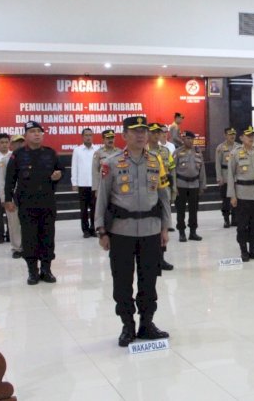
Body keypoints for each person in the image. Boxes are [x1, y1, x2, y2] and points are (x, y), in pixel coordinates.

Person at [94, 116, 171, 346]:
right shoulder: (111, 162)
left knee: (149, 281)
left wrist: (165, 227)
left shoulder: (156, 161)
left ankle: (147, 323)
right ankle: (128, 325)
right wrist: (101, 231)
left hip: (150, 231)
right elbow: (102, 199)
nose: (141, 135)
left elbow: (164, 197)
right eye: (135, 131)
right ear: (124, 134)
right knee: (123, 282)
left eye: (143, 131)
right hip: (121, 232)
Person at [4, 121, 64, 285]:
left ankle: (46, 269)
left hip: (47, 202)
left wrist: (59, 174)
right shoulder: (18, 155)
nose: (37, 134)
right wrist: (8, 199)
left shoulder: (51, 153)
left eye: (39, 131)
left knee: (47, 236)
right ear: (25, 136)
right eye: (32, 131)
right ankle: (32, 271)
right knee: (30, 238)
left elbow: (61, 170)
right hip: (26, 204)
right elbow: (9, 179)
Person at [227, 127, 254, 262]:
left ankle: (253, 249)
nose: (251, 138)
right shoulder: (235, 153)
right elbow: (230, 176)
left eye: (252, 135)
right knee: (242, 224)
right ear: (242, 138)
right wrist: (232, 195)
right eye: (248, 136)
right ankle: (244, 250)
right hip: (242, 194)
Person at [147, 123, 176, 271]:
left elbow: (172, 170)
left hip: (163, 191)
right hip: (148, 195)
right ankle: (150, 258)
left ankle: (161, 258)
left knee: (163, 224)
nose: (156, 135)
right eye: (153, 133)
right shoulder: (143, 151)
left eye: (158, 133)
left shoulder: (165, 151)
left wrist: (174, 189)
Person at [173, 131, 206, 242]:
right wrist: (174, 186)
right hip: (181, 184)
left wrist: (202, 185)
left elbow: (202, 170)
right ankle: (181, 233)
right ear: (183, 139)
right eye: (187, 138)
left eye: (191, 139)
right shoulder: (177, 152)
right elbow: (172, 170)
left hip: (194, 185)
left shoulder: (197, 152)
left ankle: (193, 232)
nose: (190, 141)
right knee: (180, 210)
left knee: (194, 210)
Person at [0, 135, 25, 259]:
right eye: (16, 143)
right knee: (14, 224)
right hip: (12, 197)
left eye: (21, 142)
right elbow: (2, 181)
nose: (19, 145)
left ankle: (28, 246)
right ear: (11, 145)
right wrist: (4, 198)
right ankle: (16, 248)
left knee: (28, 223)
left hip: (27, 197)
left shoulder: (29, 157)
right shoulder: (6, 160)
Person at [71, 128, 99, 238]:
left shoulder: (97, 149)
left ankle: (93, 229)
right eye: (86, 135)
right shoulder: (77, 150)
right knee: (83, 210)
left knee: (94, 209)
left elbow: (99, 168)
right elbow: (74, 167)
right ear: (82, 137)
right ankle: (85, 230)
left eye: (90, 135)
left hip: (95, 184)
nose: (88, 137)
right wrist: (74, 182)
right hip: (82, 184)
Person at [215, 127, 238, 228]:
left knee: (236, 198)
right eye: (230, 134)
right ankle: (226, 219)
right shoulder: (220, 148)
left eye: (234, 134)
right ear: (225, 135)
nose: (232, 136)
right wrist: (219, 178)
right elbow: (218, 164)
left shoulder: (239, 147)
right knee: (225, 200)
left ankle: (235, 219)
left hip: (236, 177)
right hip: (225, 176)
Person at [92, 129, 122, 200]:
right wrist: (96, 189)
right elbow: (95, 172)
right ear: (103, 140)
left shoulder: (120, 152)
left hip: (117, 186)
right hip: (103, 186)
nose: (110, 140)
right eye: (108, 138)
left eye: (112, 138)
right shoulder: (98, 153)